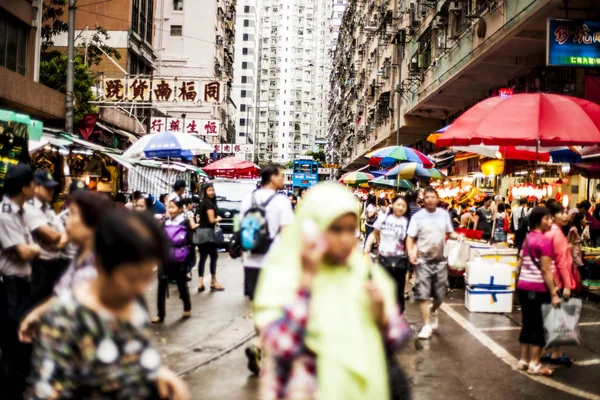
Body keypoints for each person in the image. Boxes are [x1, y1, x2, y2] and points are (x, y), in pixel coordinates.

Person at [254, 183, 411, 400]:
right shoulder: (285, 275)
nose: (346, 239)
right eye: (336, 229)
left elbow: (399, 337)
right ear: (312, 228)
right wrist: (307, 285)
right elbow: (279, 346)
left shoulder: (365, 273)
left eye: (351, 229)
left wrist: (381, 317)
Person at [26, 210, 190, 400]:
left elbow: (135, 355)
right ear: (100, 264)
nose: (139, 288)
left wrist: (158, 373)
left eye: (146, 278)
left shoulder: (133, 303)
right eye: (131, 278)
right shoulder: (66, 318)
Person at [19, 191, 113, 344]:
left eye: (73, 214)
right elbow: (63, 294)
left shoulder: (97, 268)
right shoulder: (80, 257)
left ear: (90, 224)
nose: (66, 221)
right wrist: (36, 314)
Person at [239, 164, 295, 375]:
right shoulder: (281, 201)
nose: (284, 179)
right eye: (282, 175)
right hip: (274, 264)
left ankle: (259, 344)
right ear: (272, 178)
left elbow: (242, 227)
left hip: (251, 261)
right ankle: (262, 347)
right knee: (278, 308)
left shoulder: (248, 199)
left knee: (258, 308)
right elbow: (288, 234)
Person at [0, 164, 41, 399]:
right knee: (13, 341)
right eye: (33, 183)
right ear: (25, 188)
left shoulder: (20, 211)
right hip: (9, 286)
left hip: (22, 284)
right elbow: (24, 252)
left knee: (23, 338)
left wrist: (30, 250)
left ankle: (18, 384)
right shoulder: (5, 213)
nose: (35, 188)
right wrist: (35, 249)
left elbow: (27, 250)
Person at [406, 187, 461, 340]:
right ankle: (426, 325)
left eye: (432, 197)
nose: (430, 199)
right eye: (427, 197)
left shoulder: (443, 215)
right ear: (423, 199)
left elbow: (450, 233)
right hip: (422, 260)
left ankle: (433, 309)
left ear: (437, 199)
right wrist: (411, 251)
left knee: (440, 295)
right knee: (422, 293)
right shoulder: (418, 216)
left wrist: (459, 237)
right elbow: (410, 237)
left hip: (440, 261)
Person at [515, 206, 561, 376]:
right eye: (547, 218)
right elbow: (546, 270)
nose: (550, 221)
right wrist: (554, 293)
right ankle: (535, 363)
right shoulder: (544, 241)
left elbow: (520, 264)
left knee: (527, 323)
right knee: (540, 326)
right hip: (538, 288)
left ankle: (523, 360)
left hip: (523, 287)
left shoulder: (528, 238)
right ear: (538, 220)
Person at [24, 171, 71, 307]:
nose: (51, 191)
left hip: (53, 264)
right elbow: (54, 236)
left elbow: (60, 236)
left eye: (52, 188)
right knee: (37, 304)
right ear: (36, 187)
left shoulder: (48, 210)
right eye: (47, 188)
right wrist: (69, 233)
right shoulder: (29, 208)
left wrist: (61, 238)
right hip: (38, 266)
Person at [542, 203, 577, 367]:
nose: (565, 215)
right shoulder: (557, 234)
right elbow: (562, 263)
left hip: (547, 279)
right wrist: (568, 286)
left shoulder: (547, 231)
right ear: (552, 216)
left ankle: (543, 351)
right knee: (558, 319)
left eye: (565, 212)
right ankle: (556, 353)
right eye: (561, 213)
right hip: (557, 281)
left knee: (547, 316)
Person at [364, 195, 410, 311]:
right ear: (393, 205)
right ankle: (384, 317)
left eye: (403, 206)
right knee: (383, 291)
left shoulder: (408, 222)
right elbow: (374, 234)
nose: (400, 208)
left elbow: (411, 240)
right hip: (384, 260)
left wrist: (413, 253)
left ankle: (396, 317)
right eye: (398, 204)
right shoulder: (383, 219)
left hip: (400, 261)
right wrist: (367, 247)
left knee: (398, 297)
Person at [153, 198, 193, 323]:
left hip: (179, 258)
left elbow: (190, 241)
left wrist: (188, 259)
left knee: (181, 284)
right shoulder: (165, 223)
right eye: (169, 207)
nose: (171, 210)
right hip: (165, 258)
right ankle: (160, 314)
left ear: (180, 209)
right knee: (161, 285)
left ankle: (187, 307)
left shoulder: (185, 222)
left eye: (173, 207)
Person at [194, 183, 223, 292]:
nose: (212, 192)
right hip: (208, 233)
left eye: (212, 190)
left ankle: (200, 282)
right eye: (209, 190)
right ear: (205, 191)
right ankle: (213, 281)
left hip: (201, 233)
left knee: (202, 258)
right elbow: (211, 220)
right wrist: (218, 219)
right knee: (213, 257)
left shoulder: (203, 203)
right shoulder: (209, 204)